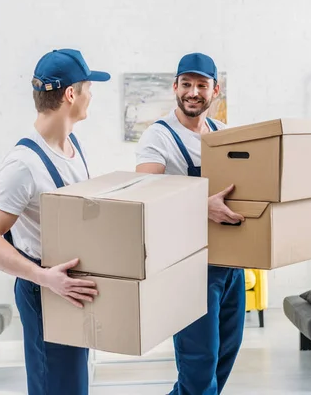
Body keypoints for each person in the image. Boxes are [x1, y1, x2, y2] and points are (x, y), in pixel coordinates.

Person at [0, 48, 110, 395]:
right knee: (56, 388)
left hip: (68, 288)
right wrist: (44, 278)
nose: (91, 95)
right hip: (44, 289)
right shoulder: (24, 164)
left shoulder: (71, 146)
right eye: (88, 87)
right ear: (70, 94)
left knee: (74, 386)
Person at [135, 52, 246, 395]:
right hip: (188, 270)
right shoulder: (159, 138)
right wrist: (201, 205)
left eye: (201, 85)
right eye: (186, 84)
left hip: (230, 265)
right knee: (199, 370)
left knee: (223, 359)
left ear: (216, 90)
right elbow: (143, 197)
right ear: (175, 87)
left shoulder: (225, 135)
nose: (193, 92)